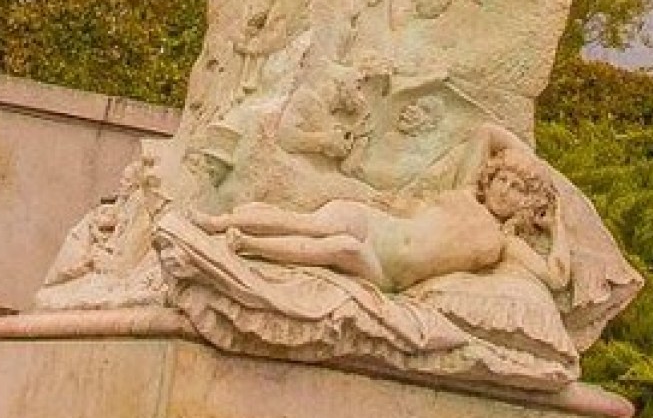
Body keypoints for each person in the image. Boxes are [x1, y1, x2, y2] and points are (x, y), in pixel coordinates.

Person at [194, 122, 569, 295]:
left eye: (518, 189)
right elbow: (486, 131)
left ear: (527, 203)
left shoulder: (503, 243)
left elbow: (556, 277)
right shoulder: (467, 191)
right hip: (381, 226)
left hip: (387, 271)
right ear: (491, 177)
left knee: (341, 247)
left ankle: (245, 244)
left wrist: (556, 226)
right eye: (502, 179)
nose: (505, 190)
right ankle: (218, 221)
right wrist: (532, 162)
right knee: (320, 223)